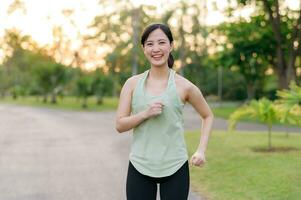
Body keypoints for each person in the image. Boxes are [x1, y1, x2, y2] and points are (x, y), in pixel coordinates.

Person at [115, 23, 214, 200]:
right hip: (140, 165)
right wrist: (145, 113)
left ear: (171, 45)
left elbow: (207, 115)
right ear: (144, 48)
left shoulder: (184, 86)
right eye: (150, 44)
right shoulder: (132, 84)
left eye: (161, 42)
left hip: (175, 166)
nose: (156, 49)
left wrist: (201, 150)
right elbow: (120, 125)